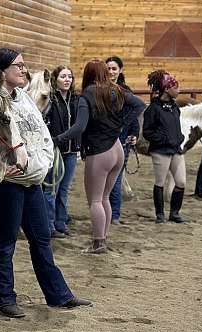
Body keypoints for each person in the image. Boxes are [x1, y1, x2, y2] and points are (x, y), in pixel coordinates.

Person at [0, 48, 92, 318]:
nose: (23, 70)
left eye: (24, 65)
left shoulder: (25, 99)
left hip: (32, 179)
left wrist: (42, 164)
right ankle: (4, 298)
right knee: (7, 239)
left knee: (41, 237)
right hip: (6, 181)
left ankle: (58, 294)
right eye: (17, 65)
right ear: (1, 70)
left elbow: (41, 133)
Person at [56, 60, 145, 253]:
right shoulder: (116, 90)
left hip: (100, 152)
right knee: (104, 197)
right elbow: (140, 105)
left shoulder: (86, 95)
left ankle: (98, 243)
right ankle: (102, 239)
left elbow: (79, 127)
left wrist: (57, 139)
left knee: (95, 200)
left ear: (88, 74)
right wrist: (122, 124)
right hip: (117, 150)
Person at [143, 70, 187, 223]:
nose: (178, 90)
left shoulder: (175, 108)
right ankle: (160, 214)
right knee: (160, 182)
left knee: (181, 182)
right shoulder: (153, 109)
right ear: (167, 89)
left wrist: (179, 137)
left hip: (175, 149)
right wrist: (162, 139)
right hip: (161, 150)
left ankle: (174, 213)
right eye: (176, 87)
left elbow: (176, 126)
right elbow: (147, 132)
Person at [42, 65, 81, 238]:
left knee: (64, 190)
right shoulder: (50, 100)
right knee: (51, 189)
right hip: (55, 150)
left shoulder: (75, 100)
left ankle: (61, 222)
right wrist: (52, 141)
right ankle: (48, 225)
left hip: (71, 151)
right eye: (63, 76)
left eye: (70, 77)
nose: (67, 80)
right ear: (55, 79)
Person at [105, 56, 141, 224]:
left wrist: (134, 133)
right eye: (109, 69)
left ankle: (115, 215)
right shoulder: (99, 89)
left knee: (117, 178)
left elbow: (135, 114)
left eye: (114, 68)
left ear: (120, 70)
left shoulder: (125, 90)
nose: (111, 72)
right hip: (103, 138)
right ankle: (105, 213)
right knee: (103, 179)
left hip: (122, 138)